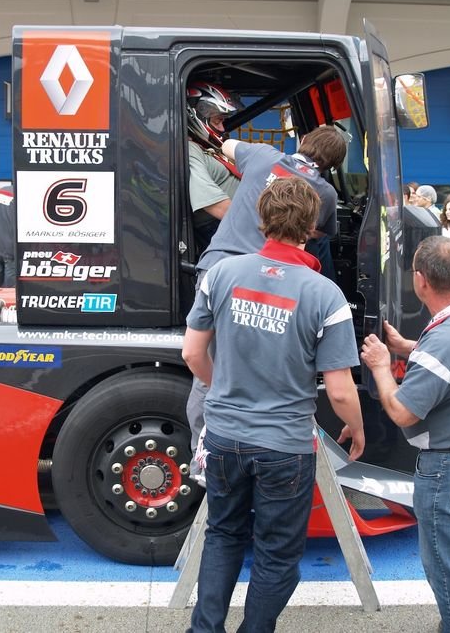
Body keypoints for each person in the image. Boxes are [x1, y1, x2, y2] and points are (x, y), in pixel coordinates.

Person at [183, 176, 364, 633]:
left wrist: (220, 386)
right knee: (277, 553)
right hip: (284, 445)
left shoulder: (221, 274)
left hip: (223, 436)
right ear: (311, 228)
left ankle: (204, 628)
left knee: (223, 534)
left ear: (263, 220)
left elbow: (191, 353)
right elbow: (340, 390)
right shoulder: (326, 295)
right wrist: (357, 429)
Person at [187, 125, 347, 476]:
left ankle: (204, 455)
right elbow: (316, 234)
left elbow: (226, 144)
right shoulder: (323, 192)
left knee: (209, 369)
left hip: (216, 271)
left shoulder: (261, 154)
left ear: (303, 142)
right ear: (333, 164)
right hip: (269, 280)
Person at [360, 235, 450, 633]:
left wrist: (383, 366)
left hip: (449, 466)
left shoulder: (444, 341)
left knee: (447, 571)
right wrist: (408, 347)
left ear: (421, 281)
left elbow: (402, 412)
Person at [187, 82, 242, 254]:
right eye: (218, 121)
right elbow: (213, 203)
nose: (222, 128)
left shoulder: (205, 147)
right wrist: (264, 226)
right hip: (223, 228)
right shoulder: (190, 150)